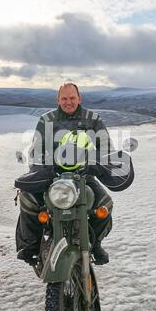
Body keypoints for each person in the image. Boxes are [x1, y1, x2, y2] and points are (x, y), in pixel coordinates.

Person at [14, 82, 134, 266]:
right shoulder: (46, 120)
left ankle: (95, 244)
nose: (68, 102)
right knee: (27, 198)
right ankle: (30, 245)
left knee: (105, 205)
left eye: (72, 98)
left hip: (84, 175)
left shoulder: (92, 119)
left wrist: (95, 164)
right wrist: (41, 166)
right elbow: (37, 149)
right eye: (64, 98)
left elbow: (105, 148)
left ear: (79, 98)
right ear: (58, 100)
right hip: (51, 175)